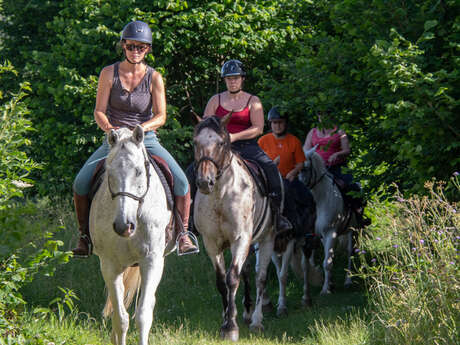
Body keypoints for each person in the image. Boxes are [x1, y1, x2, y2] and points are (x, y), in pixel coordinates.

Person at [71, 20, 197, 257]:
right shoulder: (109, 73)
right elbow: (99, 111)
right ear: (124, 46)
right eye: (131, 46)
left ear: (147, 49)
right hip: (115, 140)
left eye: (141, 47)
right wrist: (110, 130)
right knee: (81, 182)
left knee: (181, 182)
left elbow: (161, 116)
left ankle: (183, 235)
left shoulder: (155, 77)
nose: (136, 51)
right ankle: (84, 236)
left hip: (145, 139)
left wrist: (142, 128)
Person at [200, 60, 292, 233]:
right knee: (193, 170)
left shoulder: (253, 100)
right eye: (228, 78)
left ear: (242, 79)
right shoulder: (215, 100)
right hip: (218, 148)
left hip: (246, 145)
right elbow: (206, 125)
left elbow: (257, 128)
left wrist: (233, 136)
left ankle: (278, 216)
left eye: (235, 78)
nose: (232, 81)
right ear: (224, 80)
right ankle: (189, 222)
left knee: (271, 168)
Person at [258, 106, 316, 241]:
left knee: (308, 199)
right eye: (274, 123)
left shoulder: (294, 141)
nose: (277, 126)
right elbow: (257, 161)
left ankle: (306, 232)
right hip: (269, 181)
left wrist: (294, 171)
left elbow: (301, 163)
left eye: (280, 122)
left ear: (285, 123)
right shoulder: (263, 141)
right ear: (270, 124)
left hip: (289, 179)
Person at [303, 110, 368, 225]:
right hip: (318, 169)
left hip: (336, 167)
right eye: (320, 114)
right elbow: (306, 150)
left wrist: (337, 154)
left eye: (325, 114)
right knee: (302, 186)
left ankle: (358, 214)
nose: (322, 117)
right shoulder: (312, 132)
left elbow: (347, 150)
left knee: (351, 185)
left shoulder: (339, 131)